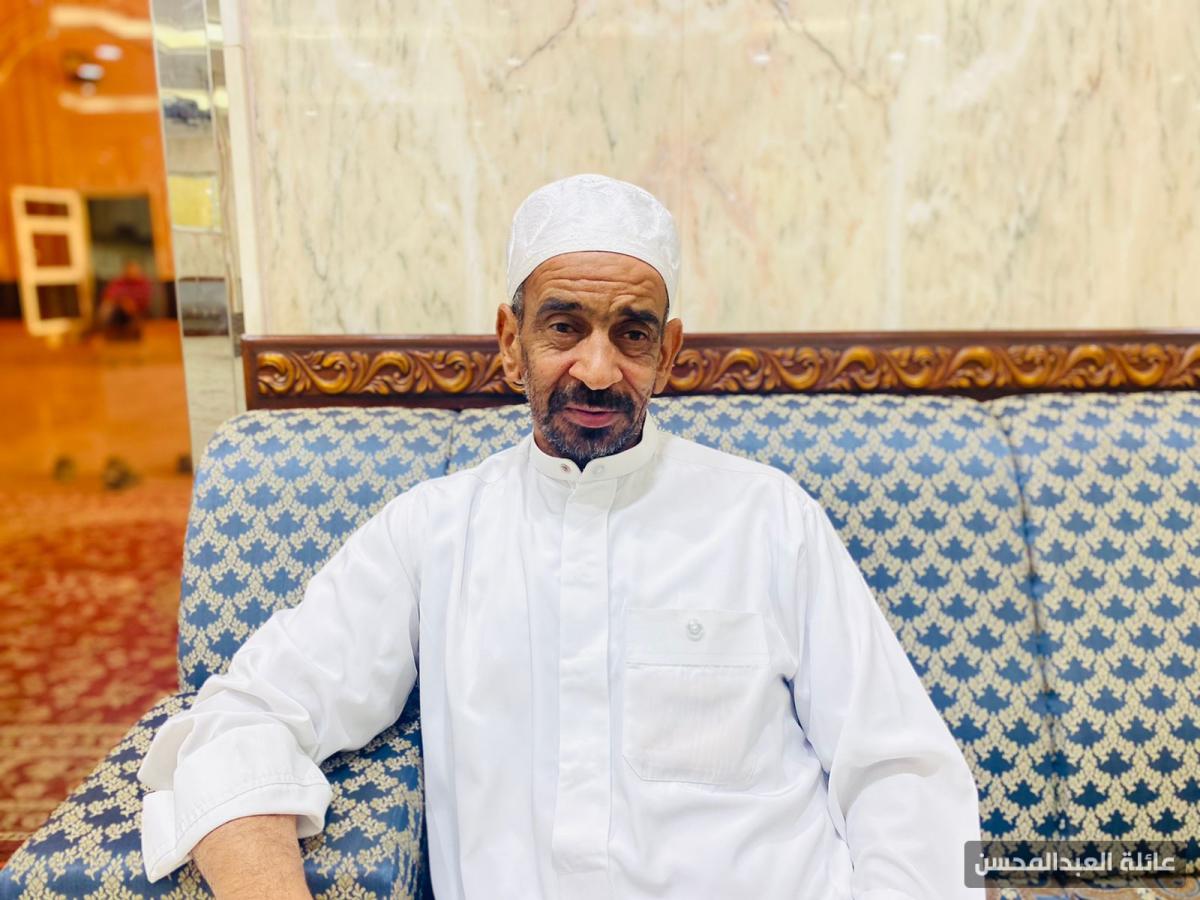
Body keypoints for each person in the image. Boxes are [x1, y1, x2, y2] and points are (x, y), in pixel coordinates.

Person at [138, 174, 983, 899]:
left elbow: (903, 773)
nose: (599, 369)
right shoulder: (433, 534)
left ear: (669, 353)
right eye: (564, 327)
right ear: (511, 344)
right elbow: (241, 719)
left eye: (633, 334)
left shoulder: (769, 518)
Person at [94, 258, 152, 339]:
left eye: (134, 269)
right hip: (117, 306)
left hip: (136, 308)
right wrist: (122, 301)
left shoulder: (143, 283)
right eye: (130, 269)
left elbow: (144, 299)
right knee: (106, 306)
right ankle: (98, 329)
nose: (132, 272)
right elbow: (109, 295)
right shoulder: (118, 281)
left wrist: (131, 303)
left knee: (128, 308)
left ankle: (99, 330)